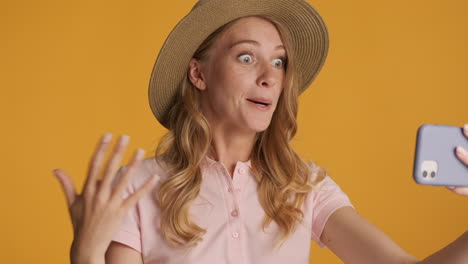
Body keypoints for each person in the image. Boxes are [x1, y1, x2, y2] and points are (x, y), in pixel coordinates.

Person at [53, 0, 468, 263]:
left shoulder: (305, 186)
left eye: (280, 61)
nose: (271, 77)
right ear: (198, 73)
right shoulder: (138, 187)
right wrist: (86, 252)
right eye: (247, 57)